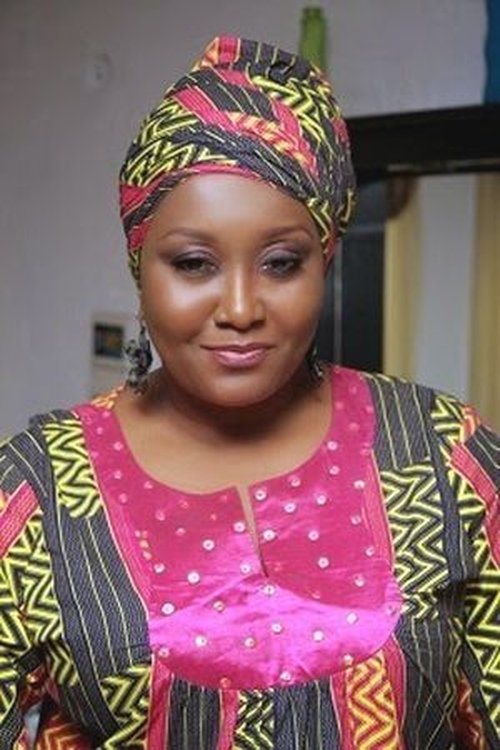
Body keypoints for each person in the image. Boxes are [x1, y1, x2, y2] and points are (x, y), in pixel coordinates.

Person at [0, 35, 498, 750]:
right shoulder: (36, 491)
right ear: (141, 268)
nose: (239, 308)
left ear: (325, 259)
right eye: (194, 263)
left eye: (281, 263)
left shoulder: (448, 458)